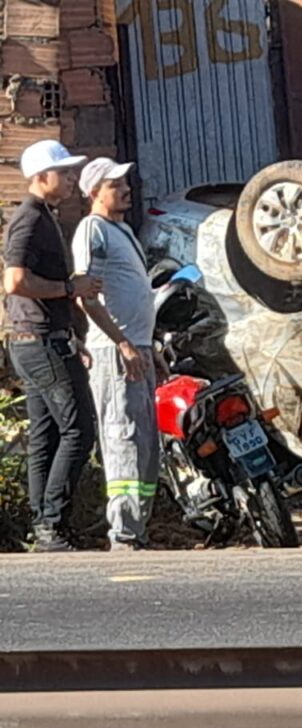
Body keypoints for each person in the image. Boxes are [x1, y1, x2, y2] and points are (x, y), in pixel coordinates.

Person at [2, 140, 101, 551]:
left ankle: (45, 525)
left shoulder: (44, 217)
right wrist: (68, 288)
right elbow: (14, 281)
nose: (72, 179)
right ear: (42, 178)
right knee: (79, 429)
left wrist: (72, 333)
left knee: (46, 434)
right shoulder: (29, 220)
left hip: (38, 340)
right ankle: (51, 525)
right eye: (65, 173)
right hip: (39, 341)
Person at [72, 158, 159, 551]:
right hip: (115, 354)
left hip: (136, 350)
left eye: (124, 183)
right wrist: (122, 343)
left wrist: (147, 345)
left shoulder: (121, 229)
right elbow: (85, 296)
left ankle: (137, 529)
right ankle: (123, 534)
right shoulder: (92, 229)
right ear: (95, 193)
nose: (125, 189)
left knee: (143, 442)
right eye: (115, 185)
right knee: (122, 437)